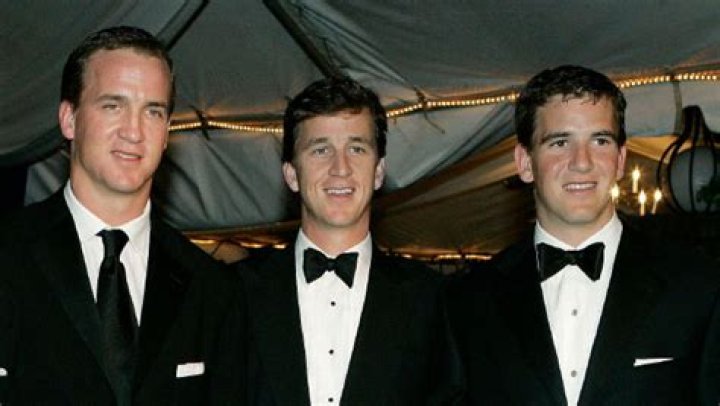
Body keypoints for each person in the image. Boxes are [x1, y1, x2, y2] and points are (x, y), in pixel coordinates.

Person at [449, 65, 720, 405]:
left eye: (600, 140)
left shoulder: (696, 285)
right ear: (525, 163)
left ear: (620, 160)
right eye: (560, 142)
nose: (582, 162)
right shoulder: (469, 301)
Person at [0, 26, 244, 404]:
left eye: (152, 111)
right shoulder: (9, 254)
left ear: (166, 131)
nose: (134, 131)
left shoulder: (209, 286)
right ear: (69, 119)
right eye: (113, 106)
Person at [240, 77, 463, 405]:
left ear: (378, 171)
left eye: (356, 149)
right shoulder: (235, 292)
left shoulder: (432, 298)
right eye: (320, 150)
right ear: (291, 174)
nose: (340, 168)